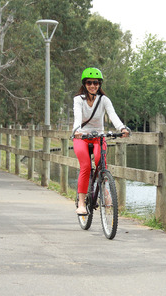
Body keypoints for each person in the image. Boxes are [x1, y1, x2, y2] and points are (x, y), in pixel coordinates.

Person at [72, 67, 130, 215]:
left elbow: (113, 115)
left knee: (100, 162)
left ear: (100, 84)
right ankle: (81, 203)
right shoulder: (78, 100)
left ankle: (104, 191)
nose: (93, 85)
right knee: (85, 166)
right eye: (90, 82)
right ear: (84, 84)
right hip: (81, 137)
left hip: (98, 136)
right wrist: (77, 131)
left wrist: (122, 128)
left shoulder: (104, 100)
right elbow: (77, 117)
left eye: (96, 83)